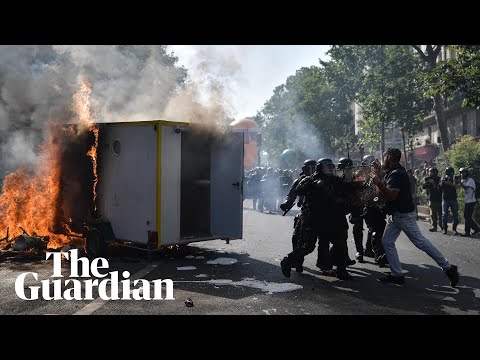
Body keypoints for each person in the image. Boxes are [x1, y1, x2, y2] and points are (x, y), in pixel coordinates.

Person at [371, 148, 459, 287]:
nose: (383, 160)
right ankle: (397, 275)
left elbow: (392, 195)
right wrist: (378, 178)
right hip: (396, 215)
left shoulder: (397, 173)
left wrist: (379, 183)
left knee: (420, 242)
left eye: (385, 157)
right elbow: (382, 191)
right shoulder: (392, 172)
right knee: (387, 241)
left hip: (403, 215)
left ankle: (448, 268)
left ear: (391, 159)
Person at [280, 158, 354, 280]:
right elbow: (298, 190)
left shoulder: (336, 181)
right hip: (314, 218)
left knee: (339, 243)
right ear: (320, 168)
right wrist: (311, 183)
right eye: (327, 166)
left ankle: (341, 271)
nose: (330, 169)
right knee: (307, 246)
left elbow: (348, 191)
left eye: (331, 167)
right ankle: (288, 261)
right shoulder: (310, 179)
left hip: (332, 218)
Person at [279, 159, 316, 272]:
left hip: (322, 214)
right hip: (306, 213)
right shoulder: (301, 180)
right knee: (298, 239)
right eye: (310, 168)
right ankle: (297, 262)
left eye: (315, 167)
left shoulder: (320, 179)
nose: (313, 170)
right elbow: (292, 194)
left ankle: (330, 264)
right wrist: (286, 204)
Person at [459, 167, 480, 237]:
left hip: (472, 200)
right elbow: (457, 186)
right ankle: (474, 229)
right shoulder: (464, 180)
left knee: (467, 216)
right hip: (467, 201)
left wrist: (460, 182)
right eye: (461, 173)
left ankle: (472, 230)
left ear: (466, 173)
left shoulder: (470, 180)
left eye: (463, 172)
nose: (462, 174)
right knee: (467, 217)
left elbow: (466, 188)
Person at [422, 167, 442, 232]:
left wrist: (433, 183)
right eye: (429, 172)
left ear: (435, 172)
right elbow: (424, 186)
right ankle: (434, 226)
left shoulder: (439, 179)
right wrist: (428, 182)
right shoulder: (428, 179)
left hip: (439, 198)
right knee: (433, 214)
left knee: (440, 213)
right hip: (431, 198)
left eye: (431, 172)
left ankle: (442, 226)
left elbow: (439, 188)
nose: (429, 173)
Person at [440, 167, 459, 235]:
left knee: (455, 214)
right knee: (444, 214)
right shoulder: (444, 178)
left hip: (453, 198)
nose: (450, 173)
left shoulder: (455, 178)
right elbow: (440, 186)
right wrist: (443, 181)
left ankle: (454, 229)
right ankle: (444, 228)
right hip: (445, 198)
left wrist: (452, 180)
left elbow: (456, 186)